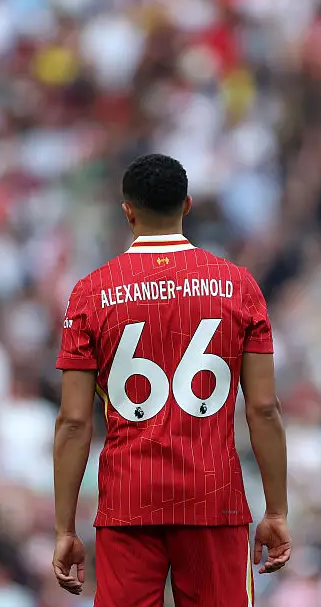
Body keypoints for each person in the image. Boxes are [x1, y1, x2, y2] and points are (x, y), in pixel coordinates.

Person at [51, 154, 292, 606]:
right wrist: (276, 510)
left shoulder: (90, 294)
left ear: (127, 210)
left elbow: (73, 422)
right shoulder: (239, 287)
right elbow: (263, 408)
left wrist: (65, 528)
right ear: (187, 205)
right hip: (213, 497)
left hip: (128, 498)